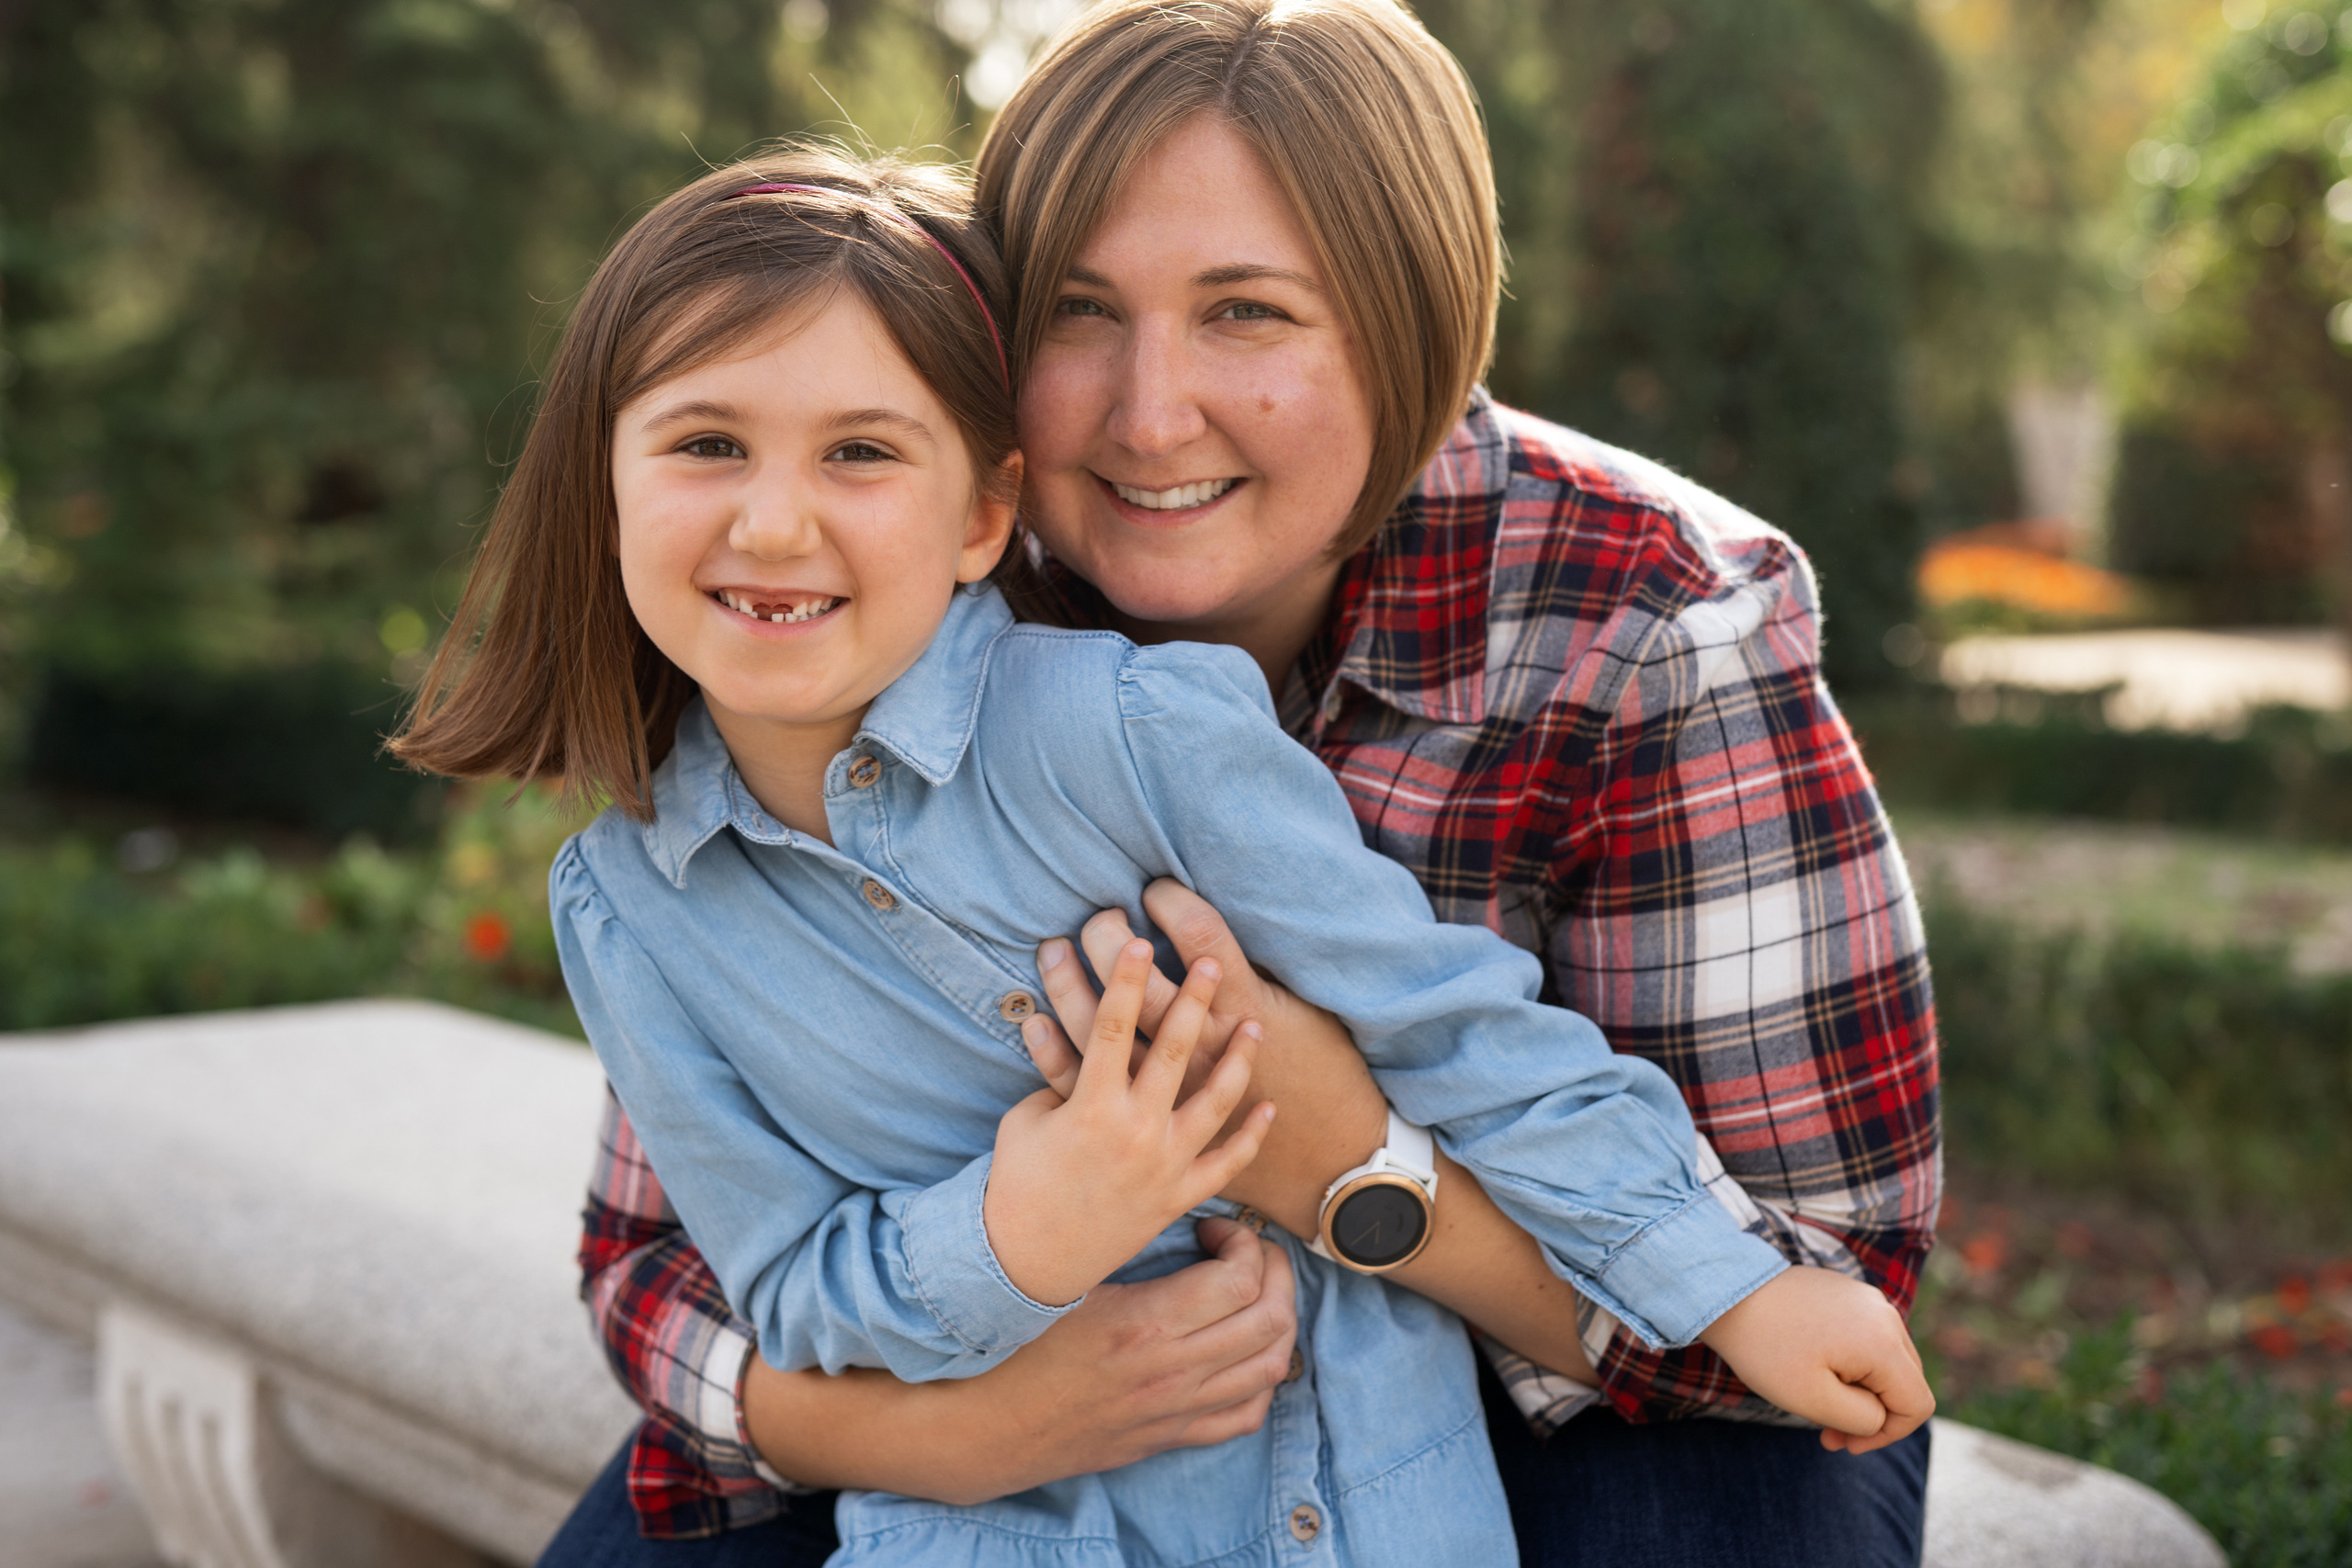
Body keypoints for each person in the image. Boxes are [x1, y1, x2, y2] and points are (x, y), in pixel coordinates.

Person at [501, 0, 1942, 1562]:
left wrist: (1347, 1175)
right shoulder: (876, 579)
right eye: (1076, 310)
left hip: (1552, 1365)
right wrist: (960, 1431)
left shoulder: (1655, 622)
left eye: (1246, 312)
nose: (1148, 414)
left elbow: (1815, 1271)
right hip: (1008, 1366)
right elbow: (670, 1259)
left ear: (1407, 326)